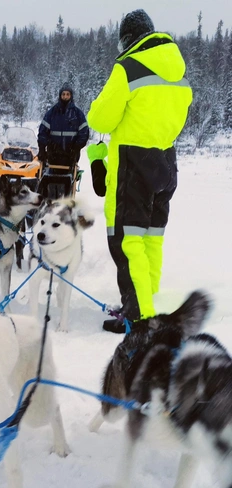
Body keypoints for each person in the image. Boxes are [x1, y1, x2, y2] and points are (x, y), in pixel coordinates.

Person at [87, 9, 192, 333]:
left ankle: (138, 316)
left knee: (127, 241)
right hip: (165, 162)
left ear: (127, 39)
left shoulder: (128, 67)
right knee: (151, 239)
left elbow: (100, 119)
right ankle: (145, 302)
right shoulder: (178, 71)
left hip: (132, 165)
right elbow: (178, 118)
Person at [37, 84, 89, 167]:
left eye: (67, 94)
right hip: (53, 155)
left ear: (71, 96)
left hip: (71, 156)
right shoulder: (52, 112)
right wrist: (42, 148)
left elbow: (84, 133)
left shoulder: (77, 114)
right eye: (63, 94)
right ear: (60, 95)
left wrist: (76, 147)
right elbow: (43, 131)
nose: (65, 97)